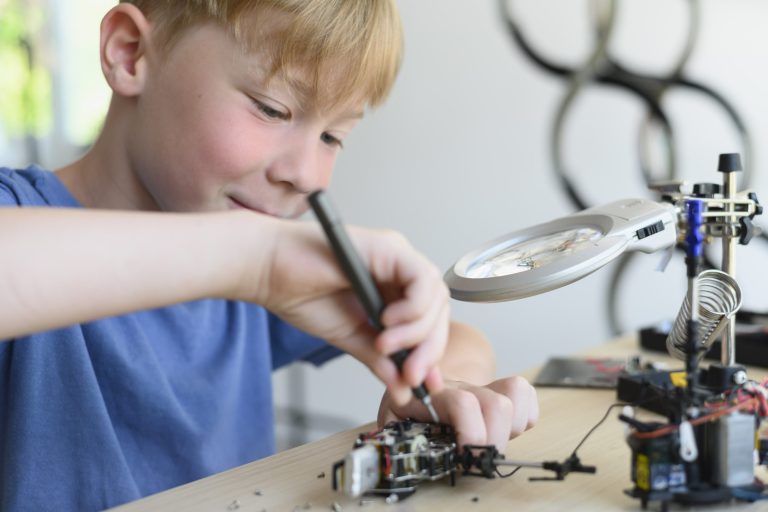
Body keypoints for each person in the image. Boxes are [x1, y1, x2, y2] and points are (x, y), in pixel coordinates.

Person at [0, 1, 539, 510]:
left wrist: (443, 389)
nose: (304, 175)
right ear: (130, 52)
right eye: (271, 108)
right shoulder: (22, 216)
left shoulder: (254, 257)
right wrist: (253, 262)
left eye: (332, 136)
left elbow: (464, 341)